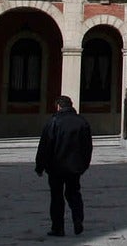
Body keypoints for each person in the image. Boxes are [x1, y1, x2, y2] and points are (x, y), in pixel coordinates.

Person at [35, 95, 93, 237]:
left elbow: (45, 146)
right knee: (74, 193)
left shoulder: (53, 122)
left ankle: (58, 227)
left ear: (59, 106)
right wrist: (84, 165)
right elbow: (88, 147)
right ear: (71, 105)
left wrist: (40, 166)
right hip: (75, 167)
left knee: (56, 196)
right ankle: (78, 219)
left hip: (56, 167)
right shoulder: (82, 122)